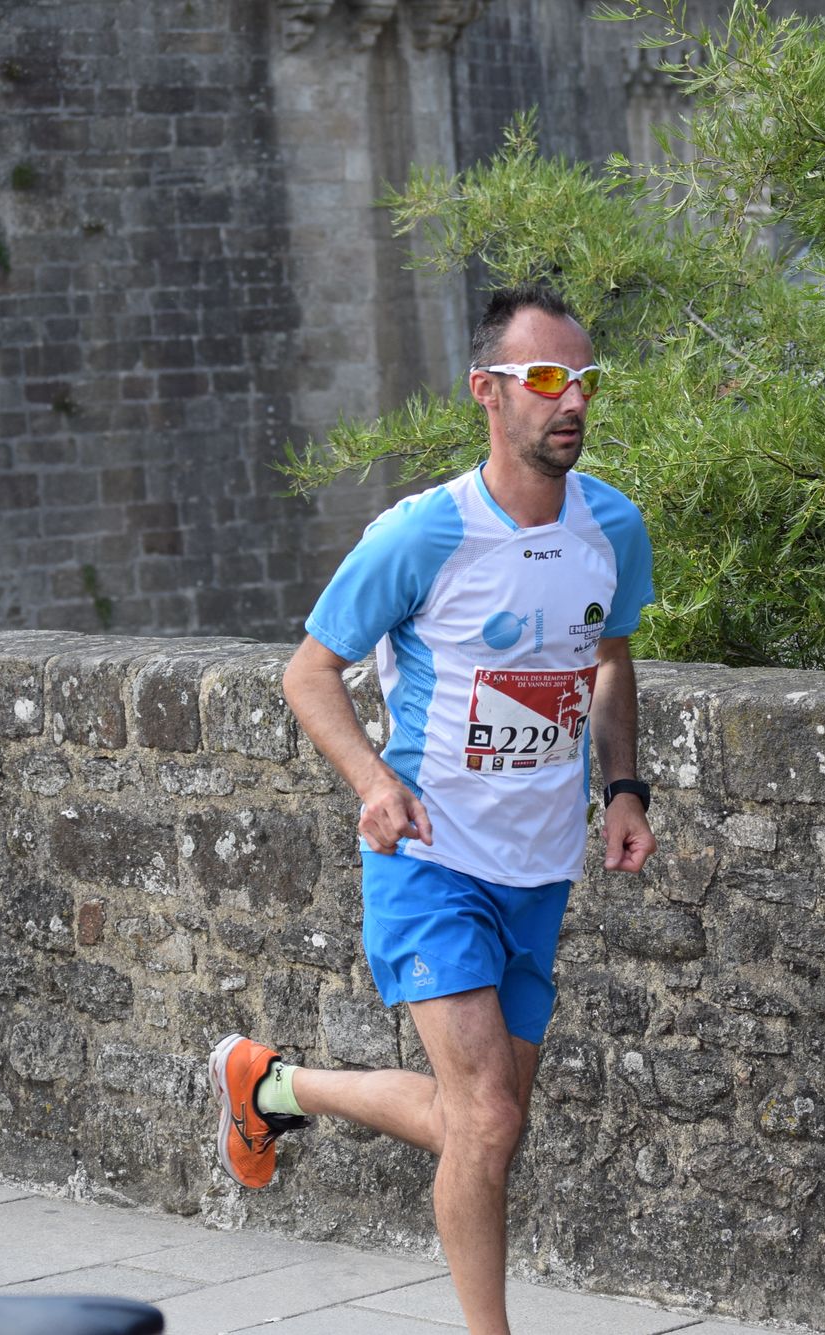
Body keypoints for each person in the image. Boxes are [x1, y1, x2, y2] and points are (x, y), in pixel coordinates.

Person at [208, 283, 657, 1335]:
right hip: (432, 858)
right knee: (488, 1117)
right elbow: (309, 672)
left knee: (485, 1125)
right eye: (544, 378)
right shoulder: (423, 534)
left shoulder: (613, 527)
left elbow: (609, 659)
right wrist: (375, 784)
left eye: (583, 380)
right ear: (485, 392)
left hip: (539, 867)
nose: (571, 400)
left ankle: (270, 1088)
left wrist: (624, 787)